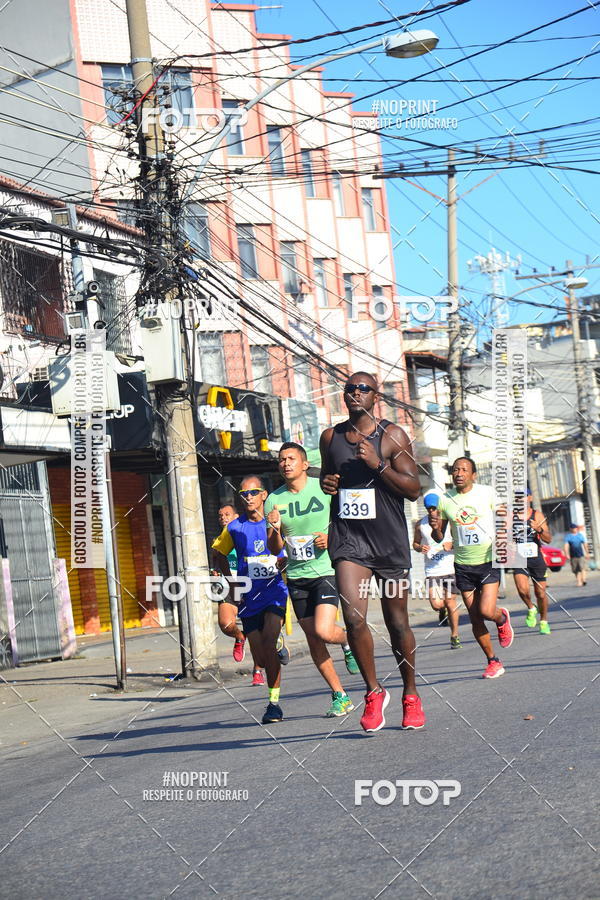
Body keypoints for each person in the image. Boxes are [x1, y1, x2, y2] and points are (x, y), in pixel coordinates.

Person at [320, 372, 424, 733]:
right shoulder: (330, 437)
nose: (353, 393)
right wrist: (327, 482)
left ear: (375, 396)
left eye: (362, 388)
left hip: (389, 545)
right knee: (353, 618)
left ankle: (410, 694)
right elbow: (329, 479)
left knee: (397, 623)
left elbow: (413, 489)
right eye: (349, 388)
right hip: (350, 543)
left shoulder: (392, 435)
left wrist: (378, 465)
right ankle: (373, 690)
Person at [265, 442, 358, 718]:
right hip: (296, 576)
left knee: (324, 630)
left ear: (304, 464)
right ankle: (340, 695)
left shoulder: (323, 488)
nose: (285, 463)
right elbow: (274, 548)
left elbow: (347, 521)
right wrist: (273, 529)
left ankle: (347, 641)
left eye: (291, 458)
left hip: (326, 570)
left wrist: (331, 539)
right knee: (314, 640)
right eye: (281, 460)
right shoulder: (274, 500)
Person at [212, 476, 289, 724]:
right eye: (244, 494)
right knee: (262, 657)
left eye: (253, 492)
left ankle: (274, 704)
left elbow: (285, 552)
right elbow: (218, 552)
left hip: (274, 591)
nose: (248, 497)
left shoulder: (274, 520)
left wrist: (282, 563)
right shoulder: (234, 527)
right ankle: (275, 646)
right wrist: (231, 580)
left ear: (264, 495)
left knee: (268, 639)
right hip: (248, 596)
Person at [428, 457, 514, 679]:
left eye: (464, 470)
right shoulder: (445, 500)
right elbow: (438, 536)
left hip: (487, 559)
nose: (459, 473)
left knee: (486, 611)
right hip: (463, 565)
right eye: (456, 469)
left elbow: (505, 514)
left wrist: (504, 534)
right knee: (475, 617)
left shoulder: (486, 492)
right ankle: (493, 661)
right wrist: (435, 526)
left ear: (473, 475)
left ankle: (501, 619)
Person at [212, 503, 265, 685]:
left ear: (236, 517)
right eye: (220, 515)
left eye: (227, 514)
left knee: (257, 631)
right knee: (226, 624)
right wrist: (216, 572)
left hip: (252, 585)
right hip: (229, 586)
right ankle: (239, 637)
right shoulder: (219, 540)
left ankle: (257, 670)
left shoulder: (246, 534)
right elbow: (217, 561)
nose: (223, 518)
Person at [413, 492, 461, 649]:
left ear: (439, 507)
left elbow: (461, 541)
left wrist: (451, 545)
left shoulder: (449, 522)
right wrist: (420, 547)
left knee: (450, 601)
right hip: (432, 570)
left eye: (434, 508)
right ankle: (442, 611)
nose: (431, 511)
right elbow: (414, 543)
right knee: (436, 604)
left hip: (449, 568)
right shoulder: (421, 524)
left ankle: (454, 635)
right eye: (428, 508)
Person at [508, 487, 552, 634]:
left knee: (540, 593)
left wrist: (539, 529)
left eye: (524, 497)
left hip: (536, 559)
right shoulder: (510, 517)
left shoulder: (537, 515)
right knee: (522, 589)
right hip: (519, 559)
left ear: (530, 498)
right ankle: (531, 607)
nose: (521, 500)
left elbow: (548, 539)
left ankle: (544, 620)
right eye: (518, 497)